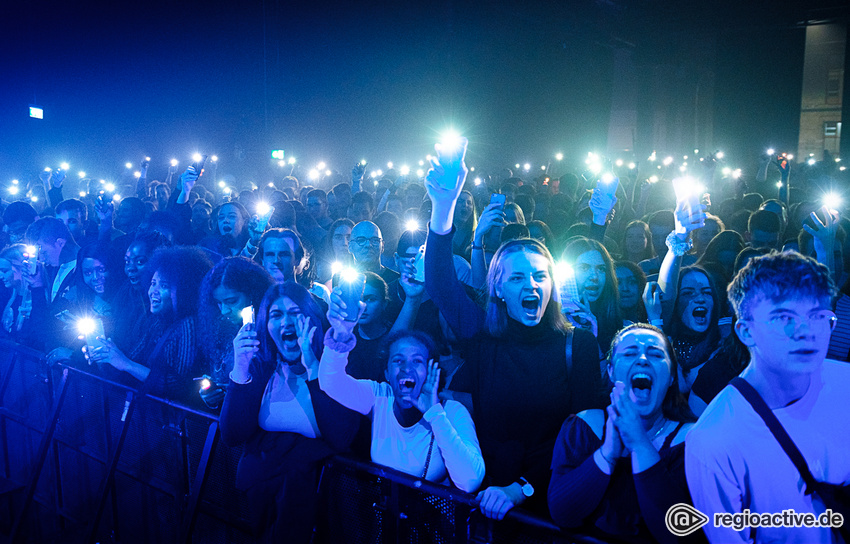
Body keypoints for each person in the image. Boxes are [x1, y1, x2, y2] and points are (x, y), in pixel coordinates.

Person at [424, 138, 605, 520]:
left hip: (547, 504)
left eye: (541, 276)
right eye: (519, 277)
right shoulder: (484, 335)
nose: (532, 286)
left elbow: (583, 439)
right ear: (499, 290)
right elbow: (441, 284)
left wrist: (520, 488)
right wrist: (444, 206)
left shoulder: (579, 345)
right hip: (481, 497)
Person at [686, 251, 850, 543]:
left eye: (818, 316)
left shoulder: (845, 382)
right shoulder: (714, 439)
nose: (806, 331)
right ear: (745, 332)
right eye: (784, 317)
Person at [219, 282, 359, 542]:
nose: (286, 322)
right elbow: (231, 435)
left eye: (295, 313)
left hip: (326, 510)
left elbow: (341, 438)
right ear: (265, 324)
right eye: (276, 315)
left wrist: (313, 366)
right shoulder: (263, 369)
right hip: (265, 502)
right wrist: (239, 370)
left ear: (311, 317)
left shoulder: (335, 363)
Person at [549, 323, 699, 544]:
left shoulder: (692, 441)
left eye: (656, 354)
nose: (643, 360)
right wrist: (608, 451)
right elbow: (563, 513)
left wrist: (638, 443)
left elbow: (678, 535)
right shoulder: (584, 425)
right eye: (630, 353)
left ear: (671, 377)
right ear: (610, 371)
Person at [318, 307, 485, 491]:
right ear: (387, 373)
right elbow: (331, 382)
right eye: (398, 360)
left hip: (433, 517)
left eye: (417, 361)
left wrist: (434, 414)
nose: (407, 368)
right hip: (386, 514)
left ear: (431, 370)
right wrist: (341, 334)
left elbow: (470, 482)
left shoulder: (452, 412)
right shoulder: (379, 396)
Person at [87, 247, 213, 402]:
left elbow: (180, 386)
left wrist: (127, 364)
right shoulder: (157, 321)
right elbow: (133, 359)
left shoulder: (189, 325)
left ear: (184, 290)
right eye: (153, 283)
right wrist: (107, 355)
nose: (154, 291)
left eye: (164, 286)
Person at [197, 257, 274, 409]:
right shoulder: (221, 327)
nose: (224, 310)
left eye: (231, 301)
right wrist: (210, 396)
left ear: (253, 293)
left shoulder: (272, 330)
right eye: (219, 303)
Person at [561, 237, 623, 355]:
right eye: (584, 268)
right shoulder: (550, 321)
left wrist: (590, 338)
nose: (594, 276)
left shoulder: (621, 329)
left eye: (601, 269)